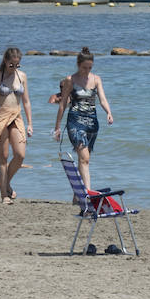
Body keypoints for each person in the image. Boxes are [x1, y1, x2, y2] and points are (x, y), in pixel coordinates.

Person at [53, 48, 113, 192]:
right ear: (78, 64)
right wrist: (57, 127)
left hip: (92, 122)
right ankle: (88, 194)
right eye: (84, 67)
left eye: (89, 68)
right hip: (75, 121)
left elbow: (102, 99)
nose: (87, 70)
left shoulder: (96, 79)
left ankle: (78, 193)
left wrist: (109, 112)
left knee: (84, 159)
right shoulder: (70, 80)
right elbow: (62, 104)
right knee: (84, 158)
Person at [0, 47, 33, 205]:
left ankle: (6, 184)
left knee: (20, 155)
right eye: (11, 65)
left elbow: (26, 101)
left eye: (17, 65)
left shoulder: (22, 76)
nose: (14, 68)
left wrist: (30, 123)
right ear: (5, 61)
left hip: (16, 116)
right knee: (3, 157)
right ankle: (4, 195)